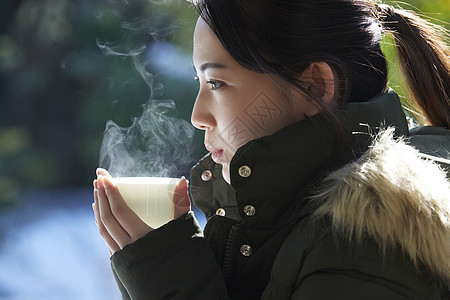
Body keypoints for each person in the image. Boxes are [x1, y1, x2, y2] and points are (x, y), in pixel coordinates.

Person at [92, 0, 450, 299]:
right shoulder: (272, 218)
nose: (197, 116)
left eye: (217, 82)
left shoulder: (368, 239)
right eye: (199, 82)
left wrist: (164, 271)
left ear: (314, 87)